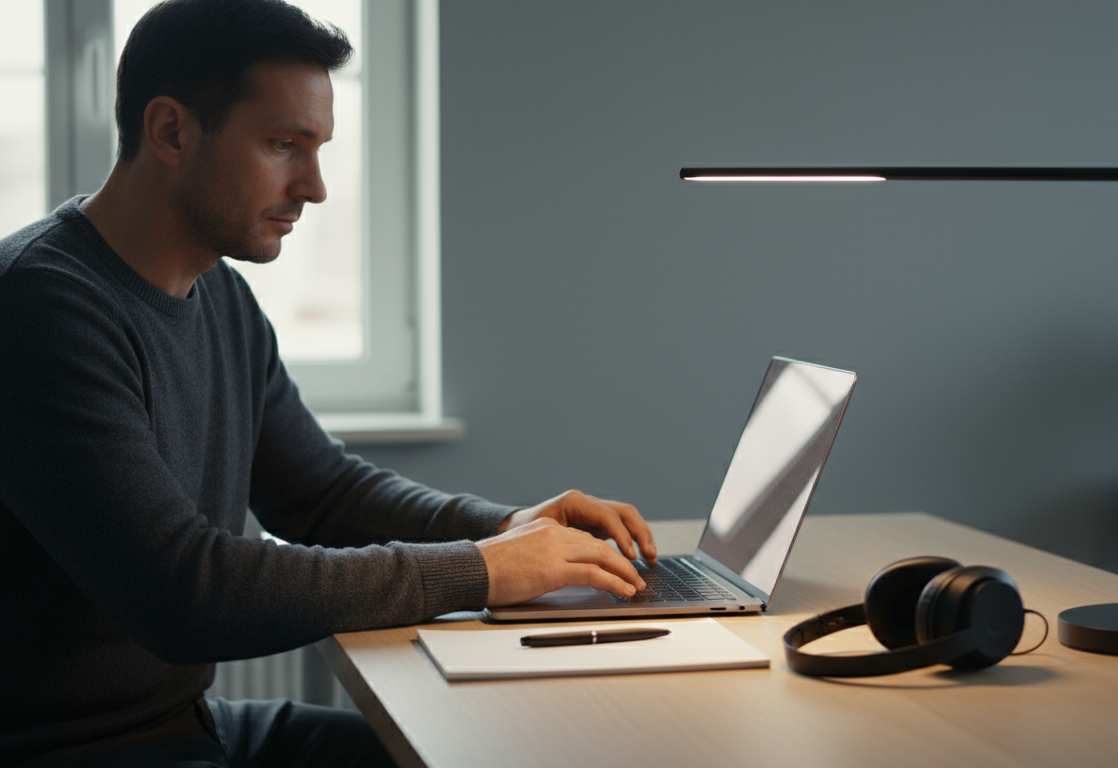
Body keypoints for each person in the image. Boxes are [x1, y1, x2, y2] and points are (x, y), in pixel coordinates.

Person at [0, 0, 656, 765]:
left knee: (478, 752)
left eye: (318, 150)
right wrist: (479, 571)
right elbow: (184, 594)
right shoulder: (38, 308)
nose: (313, 188)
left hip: (187, 725)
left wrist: (503, 527)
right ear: (171, 131)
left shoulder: (220, 296)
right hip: (67, 750)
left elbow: (321, 494)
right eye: (284, 145)